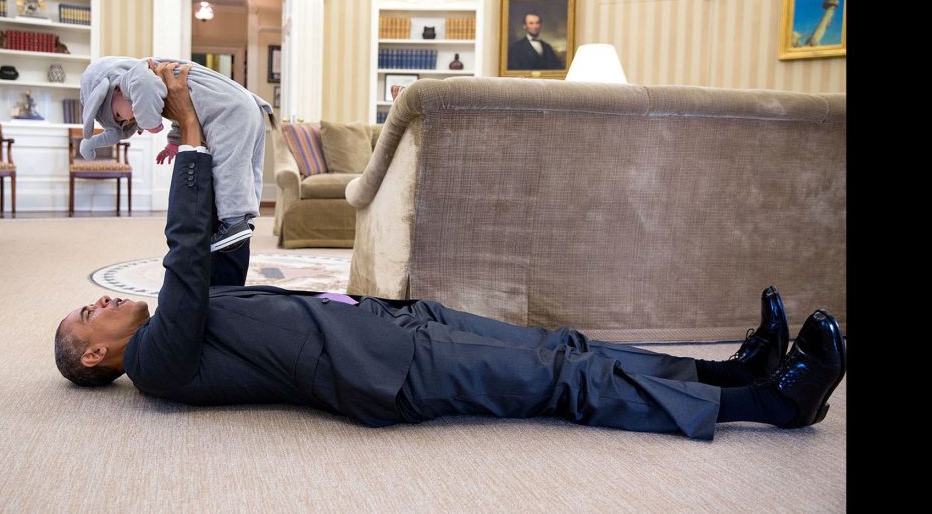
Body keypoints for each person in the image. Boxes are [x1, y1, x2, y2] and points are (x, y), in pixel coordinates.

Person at [54, 62, 847, 440]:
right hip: (387, 371)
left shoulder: (181, 326)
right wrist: (186, 128)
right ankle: (769, 405)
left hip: (389, 324)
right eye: (86, 318)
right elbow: (187, 256)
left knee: (562, 344)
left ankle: (730, 371)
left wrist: (206, 141)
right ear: (97, 361)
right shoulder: (158, 363)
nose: (98, 303)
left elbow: (221, 234)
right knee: (558, 380)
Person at [78, 57, 272, 251]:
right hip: (246, 106)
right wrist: (173, 143)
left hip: (229, 111)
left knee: (228, 166)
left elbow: (145, 86)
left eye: (119, 116)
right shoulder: (168, 81)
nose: (128, 119)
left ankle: (234, 220)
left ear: (115, 89)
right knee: (246, 166)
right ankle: (246, 219)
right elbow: (190, 106)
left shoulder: (137, 77)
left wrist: (150, 122)